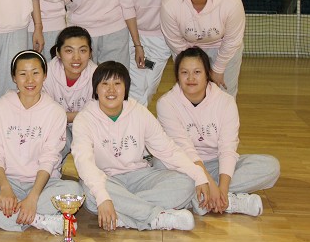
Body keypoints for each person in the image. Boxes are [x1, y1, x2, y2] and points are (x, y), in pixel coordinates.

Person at [71, 61, 210, 231]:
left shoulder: (139, 112)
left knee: (186, 182)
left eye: (117, 83)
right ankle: (156, 217)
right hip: (107, 179)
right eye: (105, 84)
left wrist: (199, 175)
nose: (111, 90)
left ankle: (126, 214)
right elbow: (84, 162)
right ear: (96, 89)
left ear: (126, 88)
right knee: (91, 193)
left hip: (140, 175)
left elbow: (167, 149)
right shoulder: (84, 119)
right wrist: (103, 196)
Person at [0, 50, 83, 234]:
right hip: (7, 182)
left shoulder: (55, 112)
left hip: (42, 185)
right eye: (23, 74)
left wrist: (33, 197)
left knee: (74, 190)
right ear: (14, 77)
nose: (30, 80)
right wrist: (4, 188)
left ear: (45, 75)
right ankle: (38, 220)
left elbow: (49, 158)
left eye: (35, 73)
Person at [156, 47, 280, 217]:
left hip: (215, 164)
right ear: (177, 76)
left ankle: (202, 198)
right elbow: (185, 150)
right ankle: (228, 201)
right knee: (159, 164)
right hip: (185, 165)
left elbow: (228, 149)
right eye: (184, 72)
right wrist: (207, 182)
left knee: (270, 166)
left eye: (197, 72)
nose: (191, 78)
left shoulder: (225, 102)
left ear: (207, 74)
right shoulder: (166, 103)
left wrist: (222, 187)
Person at [161, 0, 245, 97]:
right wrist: (192, 68)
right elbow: (175, 41)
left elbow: (232, 40)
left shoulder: (231, 1)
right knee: (191, 91)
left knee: (225, 94)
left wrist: (218, 70)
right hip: (187, 48)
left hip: (224, 47)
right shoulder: (170, 5)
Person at [42, 26, 97, 161]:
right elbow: (43, 115)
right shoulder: (46, 73)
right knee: (54, 140)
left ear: (90, 53)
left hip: (88, 127)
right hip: (56, 126)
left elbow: (99, 115)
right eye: (69, 51)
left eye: (83, 50)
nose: (76, 57)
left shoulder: (97, 75)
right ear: (58, 53)